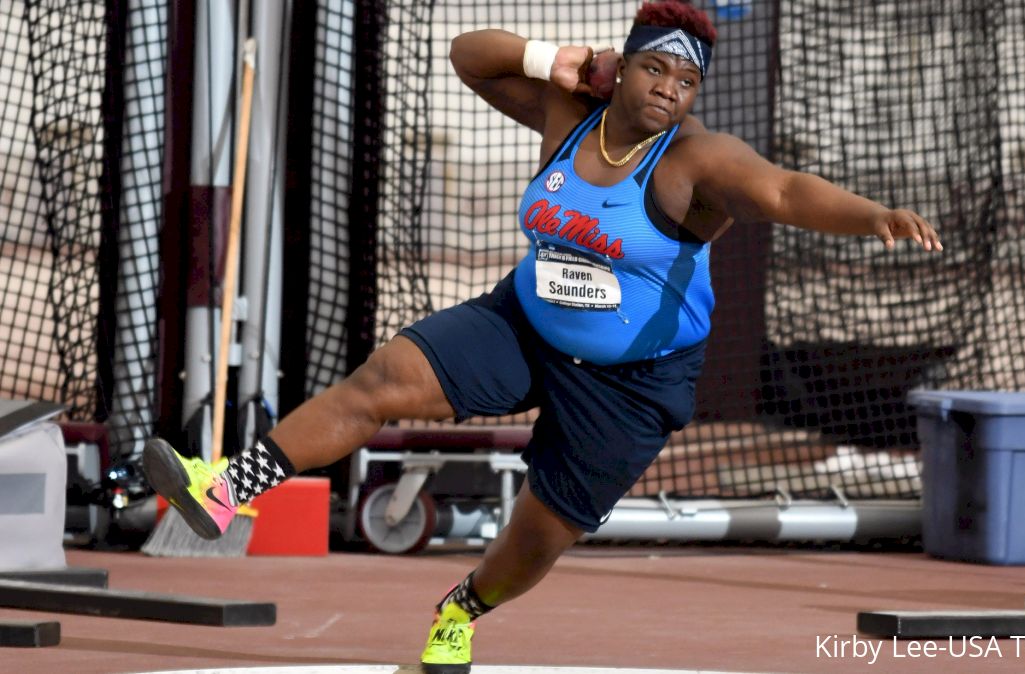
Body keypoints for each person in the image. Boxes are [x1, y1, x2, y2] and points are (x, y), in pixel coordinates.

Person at [142, 1, 942, 672]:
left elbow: (783, 189)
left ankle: (460, 608)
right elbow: (470, 56)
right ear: (620, 68)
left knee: (535, 540)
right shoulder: (570, 115)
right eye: (654, 69)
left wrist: (872, 216)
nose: (669, 90)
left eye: (687, 80)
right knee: (382, 379)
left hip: (633, 380)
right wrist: (555, 58)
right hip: (524, 322)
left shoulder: (695, 162)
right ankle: (225, 489)